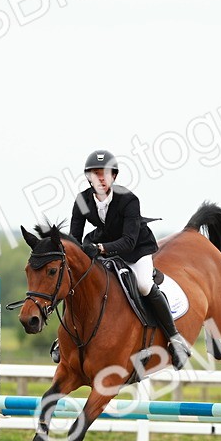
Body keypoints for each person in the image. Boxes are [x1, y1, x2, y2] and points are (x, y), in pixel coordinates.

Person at [58, 149, 193, 370]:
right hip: (104, 245)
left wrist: (99, 248)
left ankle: (174, 338)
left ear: (114, 177)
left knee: (143, 284)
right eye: (95, 173)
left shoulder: (128, 199)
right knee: (76, 281)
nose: (100, 177)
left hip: (135, 248)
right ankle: (65, 337)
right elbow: (74, 237)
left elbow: (129, 241)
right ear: (88, 177)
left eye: (105, 173)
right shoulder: (82, 201)